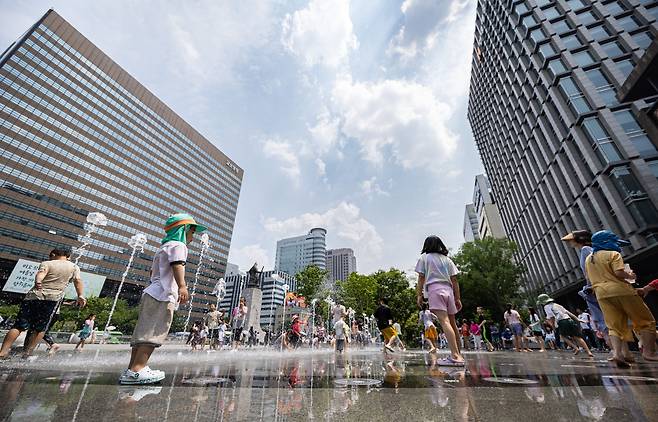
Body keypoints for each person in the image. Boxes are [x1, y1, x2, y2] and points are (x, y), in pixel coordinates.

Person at [120, 213, 204, 384]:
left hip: (151, 292)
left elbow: (152, 273)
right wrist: (182, 286)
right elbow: (177, 264)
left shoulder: (163, 247)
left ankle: (131, 369)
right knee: (153, 332)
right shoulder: (179, 245)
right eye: (192, 232)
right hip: (162, 295)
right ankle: (138, 369)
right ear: (184, 229)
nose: (192, 238)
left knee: (143, 332)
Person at [585, 230, 658, 366]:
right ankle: (650, 353)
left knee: (613, 325)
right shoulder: (613, 254)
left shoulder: (589, 259)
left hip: (601, 293)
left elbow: (588, 278)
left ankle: (618, 354)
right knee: (646, 321)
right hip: (621, 290)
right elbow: (619, 272)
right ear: (607, 242)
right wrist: (630, 275)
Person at [0, 248, 86, 359]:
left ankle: (2, 352)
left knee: (19, 326)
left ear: (54, 254)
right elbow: (77, 280)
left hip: (33, 297)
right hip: (53, 299)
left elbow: (41, 274)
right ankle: (27, 353)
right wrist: (80, 295)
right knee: (40, 328)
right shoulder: (74, 267)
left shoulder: (47, 263)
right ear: (68, 256)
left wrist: (38, 281)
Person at [415, 235, 465, 366]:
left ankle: (455, 356)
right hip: (448, 290)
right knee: (452, 324)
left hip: (435, 290)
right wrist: (457, 298)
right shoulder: (447, 260)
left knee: (444, 321)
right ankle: (458, 355)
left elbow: (421, 278)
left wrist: (419, 295)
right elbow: (454, 280)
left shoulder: (424, 258)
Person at [562, 230, 611, 352]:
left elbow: (591, 270)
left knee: (602, 320)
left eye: (571, 240)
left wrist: (590, 285)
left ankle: (615, 349)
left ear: (578, 239)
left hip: (594, 288)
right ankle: (616, 349)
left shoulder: (586, 250)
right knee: (604, 319)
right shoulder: (587, 249)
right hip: (596, 287)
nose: (570, 243)